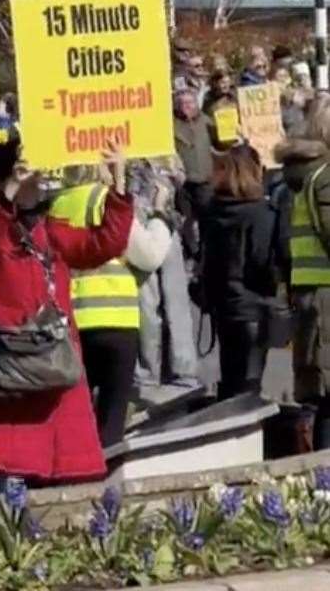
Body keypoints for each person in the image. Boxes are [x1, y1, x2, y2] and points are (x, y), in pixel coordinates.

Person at [0, 137, 133, 482]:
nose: (37, 185)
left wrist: (119, 182)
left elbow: (105, 243)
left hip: (51, 361)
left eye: (37, 180)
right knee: (6, 474)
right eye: (30, 179)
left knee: (60, 479)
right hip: (7, 365)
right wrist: (10, 186)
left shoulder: (49, 230)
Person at [50, 164, 172, 447]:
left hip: (73, 322)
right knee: (112, 417)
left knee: (75, 414)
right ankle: (108, 481)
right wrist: (159, 216)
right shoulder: (106, 201)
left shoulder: (56, 205)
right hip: (116, 319)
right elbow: (149, 255)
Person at [200, 145, 278, 400]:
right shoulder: (260, 213)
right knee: (250, 386)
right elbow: (262, 261)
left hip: (223, 307)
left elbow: (208, 262)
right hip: (252, 306)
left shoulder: (213, 211)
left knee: (231, 379)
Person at [276, 100, 330, 448]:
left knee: (323, 396)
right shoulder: (323, 178)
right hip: (327, 299)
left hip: (312, 296)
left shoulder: (301, 178)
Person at [129, 158, 200, 390]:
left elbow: (179, 175)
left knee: (175, 299)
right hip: (134, 219)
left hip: (165, 221)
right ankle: (149, 372)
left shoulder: (157, 137)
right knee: (147, 302)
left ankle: (183, 370)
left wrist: (166, 170)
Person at [173, 88, 213, 253]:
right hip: (183, 183)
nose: (186, 107)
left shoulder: (207, 121)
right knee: (185, 221)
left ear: (196, 104)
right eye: (181, 104)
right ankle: (192, 253)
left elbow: (222, 142)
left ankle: (206, 255)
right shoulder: (171, 124)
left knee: (207, 221)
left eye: (189, 102)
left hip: (205, 181)